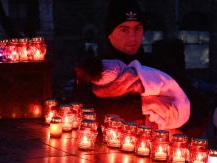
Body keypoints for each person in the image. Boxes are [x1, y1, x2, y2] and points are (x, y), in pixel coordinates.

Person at [74, 0, 191, 132]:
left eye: (137, 28)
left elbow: (198, 108)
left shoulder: (161, 66)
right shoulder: (96, 70)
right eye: (124, 29)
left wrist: (179, 127)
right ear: (110, 34)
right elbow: (84, 110)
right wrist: (143, 105)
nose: (133, 36)